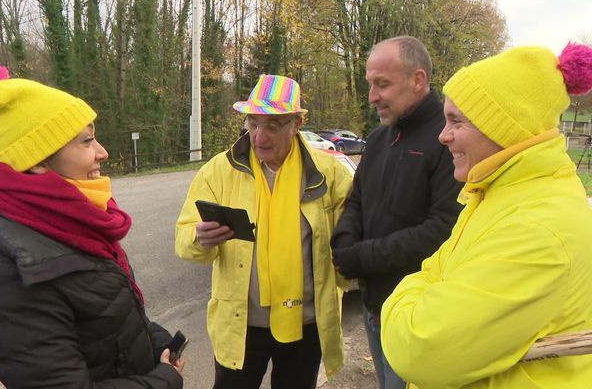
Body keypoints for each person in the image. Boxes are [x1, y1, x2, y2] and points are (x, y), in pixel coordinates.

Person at [380, 43, 592, 388]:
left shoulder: (537, 228)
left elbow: (421, 348)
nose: (442, 135)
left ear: (504, 129)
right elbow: (435, 270)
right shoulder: (500, 195)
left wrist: (406, 299)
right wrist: (427, 289)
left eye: (456, 121)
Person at [0, 62, 184, 388]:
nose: (103, 152)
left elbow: (105, 315)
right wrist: (164, 382)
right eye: (86, 141)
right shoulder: (10, 267)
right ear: (36, 159)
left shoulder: (70, 221)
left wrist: (154, 340)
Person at [175, 74, 353, 389]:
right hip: (241, 325)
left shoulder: (329, 173)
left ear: (296, 124)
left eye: (273, 125)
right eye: (253, 124)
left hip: (305, 323)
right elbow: (184, 237)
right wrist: (199, 239)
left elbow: (352, 238)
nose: (259, 137)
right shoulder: (219, 171)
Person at [330, 36, 463, 389]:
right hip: (376, 310)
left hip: (419, 318)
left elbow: (444, 230)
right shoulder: (377, 139)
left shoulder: (449, 141)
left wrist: (362, 258)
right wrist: (343, 243)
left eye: (382, 84)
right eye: (371, 84)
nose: (372, 96)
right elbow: (356, 200)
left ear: (417, 80)